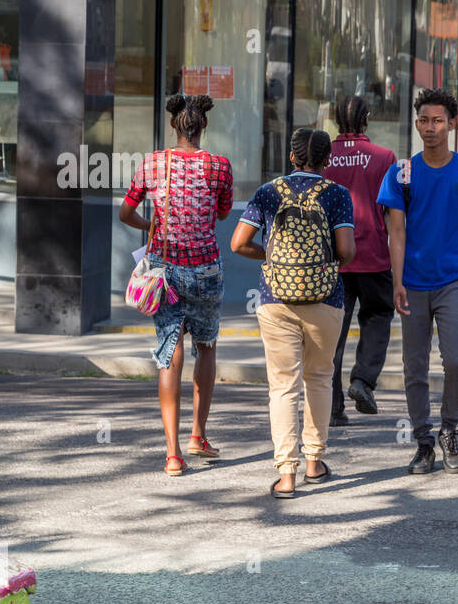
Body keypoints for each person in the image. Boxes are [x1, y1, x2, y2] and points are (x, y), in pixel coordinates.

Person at [231, 129, 356, 497]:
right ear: (327, 160)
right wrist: (324, 263)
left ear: (291, 157)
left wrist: (270, 257)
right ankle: (314, 463)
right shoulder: (337, 194)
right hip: (325, 299)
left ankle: (286, 474)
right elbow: (346, 251)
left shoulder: (268, 192)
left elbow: (239, 242)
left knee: (283, 385)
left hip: (275, 299)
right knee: (318, 378)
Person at [377, 88, 458, 475]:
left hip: (454, 280)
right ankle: (424, 442)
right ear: (416, 124)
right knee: (414, 365)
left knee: (457, 361)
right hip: (412, 281)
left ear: (452, 124)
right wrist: (396, 282)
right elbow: (397, 232)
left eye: (438, 121)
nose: (431, 128)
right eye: (424, 121)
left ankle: (450, 429)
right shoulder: (402, 173)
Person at [119, 94, 233, 477]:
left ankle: (172, 455)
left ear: (173, 126)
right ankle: (198, 436)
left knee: (170, 351)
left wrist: (150, 226)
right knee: (207, 346)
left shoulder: (152, 164)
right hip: (205, 271)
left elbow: (126, 211)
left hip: (164, 273)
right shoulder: (219, 167)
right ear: (202, 127)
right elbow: (221, 212)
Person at [322, 96, 398, 427]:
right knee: (378, 316)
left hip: (331, 259)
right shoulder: (385, 158)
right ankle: (363, 381)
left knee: (332, 332)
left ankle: (333, 407)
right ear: (366, 119)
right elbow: (393, 215)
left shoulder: (323, 157)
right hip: (373, 256)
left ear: (335, 121)